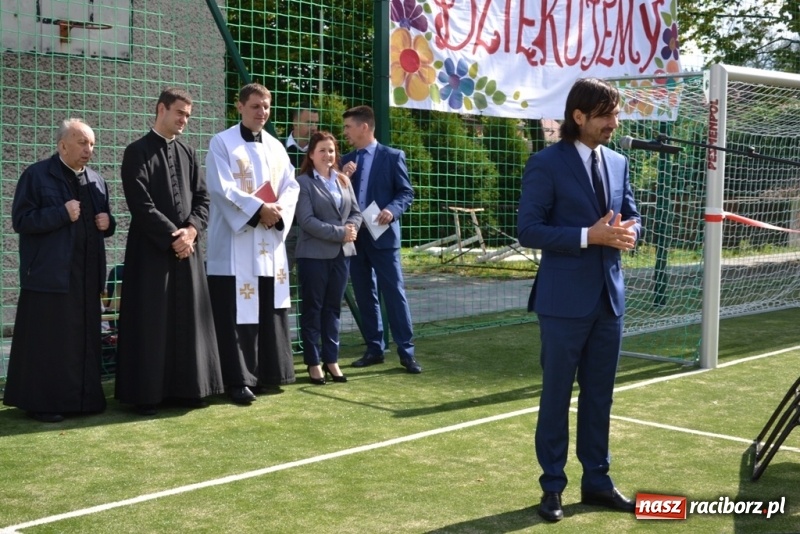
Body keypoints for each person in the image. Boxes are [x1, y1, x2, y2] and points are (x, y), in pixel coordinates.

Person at [517, 78, 642, 522]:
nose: (614, 122)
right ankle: (552, 488)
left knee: (599, 398)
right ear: (579, 117)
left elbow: (632, 214)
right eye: (606, 114)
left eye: (615, 113)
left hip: (609, 300)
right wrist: (589, 236)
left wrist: (628, 232)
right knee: (555, 397)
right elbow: (528, 229)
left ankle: (597, 482)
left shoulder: (619, 162)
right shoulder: (545, 164)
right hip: (562, 301)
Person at [115, 87, 223, 415]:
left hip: (187, 251)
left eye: (188, 116)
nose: (184, 121)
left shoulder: (189, 153)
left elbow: (204, 199)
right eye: (179, 113)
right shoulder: (136, 151)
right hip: (151, 252)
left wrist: (191, 231)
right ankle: (147, 394)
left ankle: (190, 389)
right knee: (151, 321)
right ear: (161, 109)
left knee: (190, 319)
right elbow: (140, 202)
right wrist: (172, 236)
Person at [4, 118, 115, 423]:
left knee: (82, 340)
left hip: (86, 277)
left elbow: (100, 222)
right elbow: (22, 220)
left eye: (92, 144)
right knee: (50, 343)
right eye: (82, 143)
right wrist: (60, 213)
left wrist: (109, 224)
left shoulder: (96, 180)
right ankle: (42, 403)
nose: (88, 149)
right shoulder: (37, 175)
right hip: (49, 277)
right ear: (62, 144)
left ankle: (84, 400)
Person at [205, 83, 300, 404]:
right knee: (235, 312)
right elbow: (221, 188)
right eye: (256, 106)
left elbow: (291, 187)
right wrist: (259, 209)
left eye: (267, 106)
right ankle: (237, 379)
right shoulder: (222, 143)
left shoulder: (276, 147)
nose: (262, 112)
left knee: (265, 308)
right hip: (234, 246)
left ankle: (269, 372)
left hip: (267, 245)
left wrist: (276, 212)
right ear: (240, 107)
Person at [340, 105, 421, 374]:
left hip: (383, 236)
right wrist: (343, 178)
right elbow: (337, 197)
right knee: (365, 294)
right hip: (356, 236)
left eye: (348, 127)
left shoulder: (392, 156)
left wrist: (391, 210)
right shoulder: (346, 161)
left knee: (394, 294)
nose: (345, 133)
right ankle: (374, 348)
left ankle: (406, 352)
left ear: (364, 127)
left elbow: (406, 193)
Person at [295, 131, 362, 384]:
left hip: (342, 254)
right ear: (311, 155)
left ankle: (331, 360)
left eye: (331, 150)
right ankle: (313, 362)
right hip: (313, 255)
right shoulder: (303, 183)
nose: (328, 155)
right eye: (322, 150)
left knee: (333, 308)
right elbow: (307, 221)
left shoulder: (344, 180)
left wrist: (352, 229)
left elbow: (355, 212)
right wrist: (341, 233)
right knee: (313, 308)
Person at [284, 103, 319, 169]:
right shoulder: (279, 147)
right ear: (295, 124)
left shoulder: (319, 150)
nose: (314, 128)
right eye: (309, 123)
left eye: (316, 123)